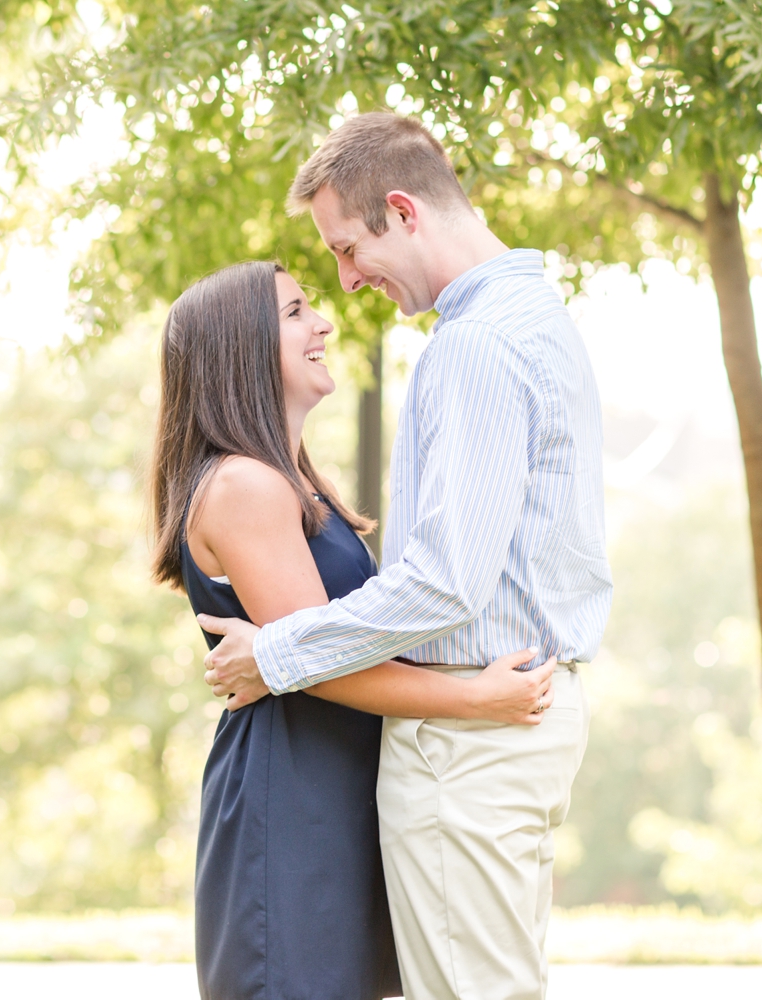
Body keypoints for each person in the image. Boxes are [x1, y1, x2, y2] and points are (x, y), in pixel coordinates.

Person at [199, 113, 612, 1000]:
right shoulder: (532, 317)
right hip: (502, 722)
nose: (347, 282)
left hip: (472, 744)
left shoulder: (472, 348)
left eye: (348, 249)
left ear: (402, 210)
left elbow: (444, 586)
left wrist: (274, 654)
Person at [150, 259, 558, 1000]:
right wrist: (477, 698)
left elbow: (318, 646)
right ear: (239, 348)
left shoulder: (292, 482)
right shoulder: (246, 485)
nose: (324, 322)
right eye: (295, 311)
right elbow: (320, 662)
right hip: (291, 800)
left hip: (333, 792)